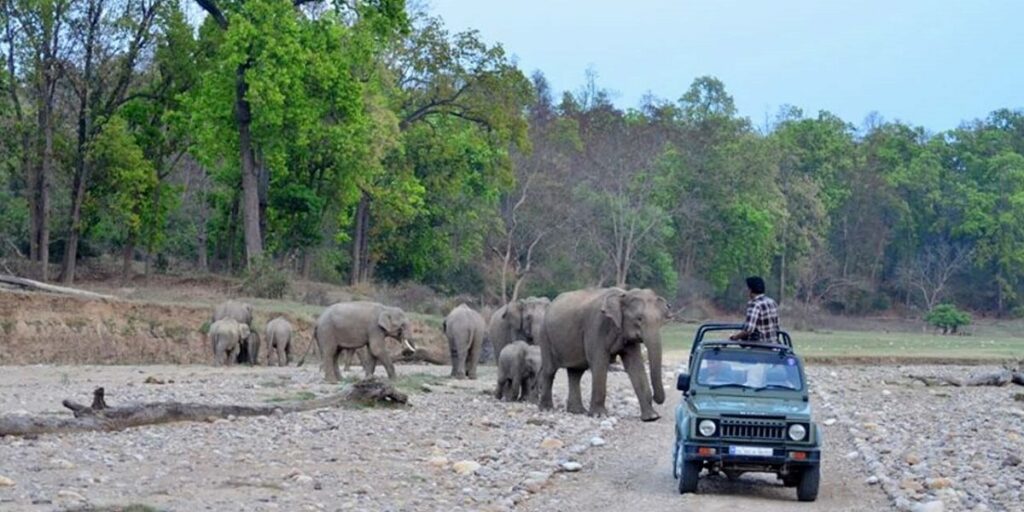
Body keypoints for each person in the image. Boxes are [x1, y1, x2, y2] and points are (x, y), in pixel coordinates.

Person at [729, 276, 780, 343]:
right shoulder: (772, 302)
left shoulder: (755, 305)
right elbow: (776, 326)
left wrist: (735, 337)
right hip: (774, 346)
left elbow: (748, 330)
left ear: (750, 290)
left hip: (759, 348)